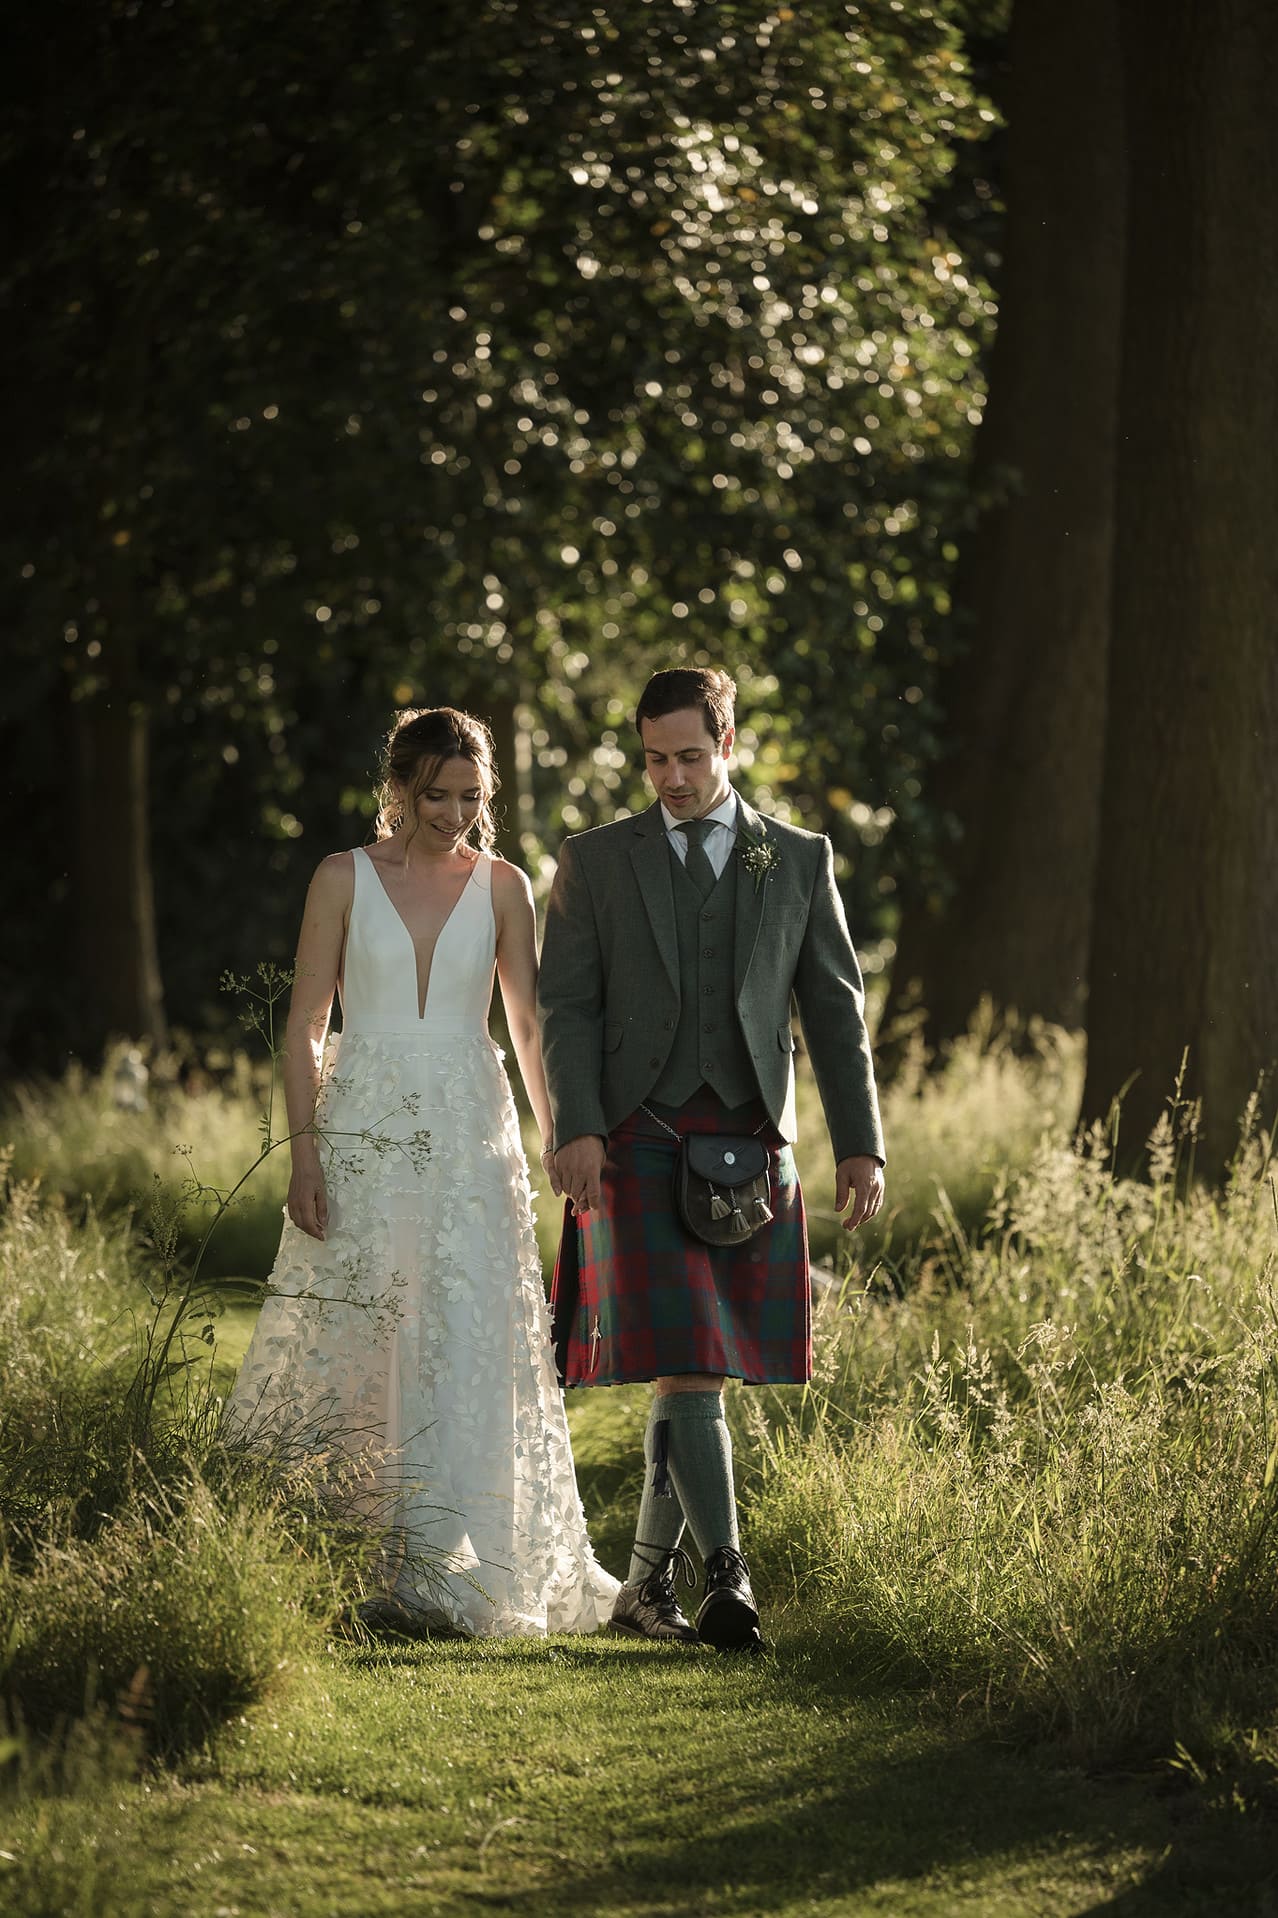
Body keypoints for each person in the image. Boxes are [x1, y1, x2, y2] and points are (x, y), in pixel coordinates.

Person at [227, 707, 618, 1637]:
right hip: (362, 1117)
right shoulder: (340, 878)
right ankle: (344, 1545)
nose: (454, 813)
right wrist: (304, 1154)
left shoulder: (506, 886)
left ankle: (461, 1556)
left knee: (467, 1321)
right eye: (435, 795)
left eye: (471, 797)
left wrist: (562, 1137)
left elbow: (527, 1026)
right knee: (363, 1318)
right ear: (398, 788)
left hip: (470, 1130)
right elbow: (304, 1029)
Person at [538, 668, 885, 1653]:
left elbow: (834, 1010)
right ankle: (729, 1574)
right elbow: (569, 1004)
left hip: (751, 1141)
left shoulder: (800, 858)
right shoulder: (597, 860)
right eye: (655, 758)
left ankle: (646, 1591)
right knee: (691, 1364)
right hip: (638, 1135)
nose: (673, 777)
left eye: (691, 755)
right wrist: (578, 1126)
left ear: (727, 743)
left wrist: (860, 1143)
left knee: (692, 1373)